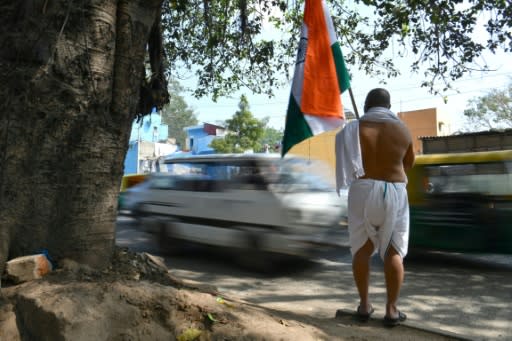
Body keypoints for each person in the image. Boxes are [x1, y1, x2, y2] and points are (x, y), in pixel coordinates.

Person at [335, 88, 415, 327]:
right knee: (393, 252)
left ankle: (364, 305)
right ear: (388, 106)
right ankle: (391, 310)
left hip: (362, 189)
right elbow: (409, 163)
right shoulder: (402, 129)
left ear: (367, 105)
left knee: (362, 249)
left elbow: (348, 162)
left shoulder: (353, 129)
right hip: (395, 189)